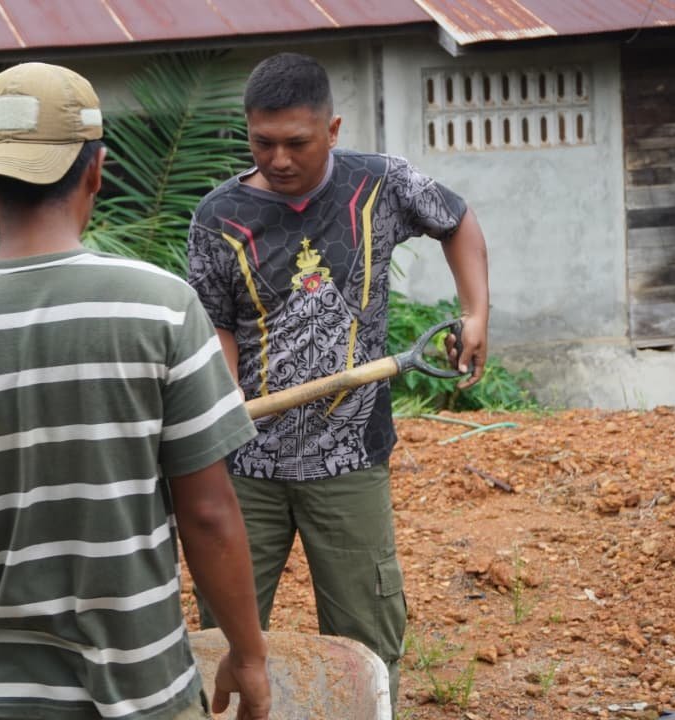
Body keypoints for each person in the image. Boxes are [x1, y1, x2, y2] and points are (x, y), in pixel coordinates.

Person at [0, 62, 271, 720]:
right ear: (97, 172)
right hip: (144, 691)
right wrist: (248, 655)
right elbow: (208, 513)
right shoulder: (163, 309)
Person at [186, 52, 490, 708]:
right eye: (262, 143)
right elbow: (217, 323)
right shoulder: (218, 217)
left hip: (350, 459)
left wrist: (475, 312)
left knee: (364, 630)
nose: (279, 159)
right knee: (227, 634)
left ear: (332, 129)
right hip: (247, 464)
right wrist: (227, 391)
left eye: (297, 143)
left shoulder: (379, 184)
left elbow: (456, 220)